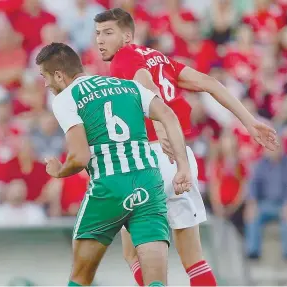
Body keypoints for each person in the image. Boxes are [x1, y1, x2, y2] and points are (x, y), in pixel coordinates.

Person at [94, 8, 279, 286]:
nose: (100, 40)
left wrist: (159, 129)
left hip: (150, 158)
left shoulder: (123, 59)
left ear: (127, 36)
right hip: (182, 159)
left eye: (108, 33)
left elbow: (147, 90)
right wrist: (250, 122)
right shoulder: (159, 58)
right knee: (194, 259)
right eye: (97, 34)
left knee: (134, 253)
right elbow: (209, 83)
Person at [36, 42, 191, 286]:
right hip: (148, 183)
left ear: (58, 75)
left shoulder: (66, 98)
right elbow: (169, 115)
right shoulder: (128, 85)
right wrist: (183, 166)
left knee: (80, 278)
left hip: (109, 187)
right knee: (156, 283)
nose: (45, 84)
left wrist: (60, 171)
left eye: (45, 76)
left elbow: (79, 157)